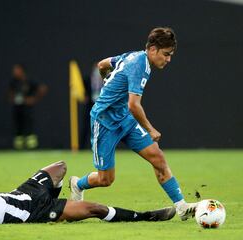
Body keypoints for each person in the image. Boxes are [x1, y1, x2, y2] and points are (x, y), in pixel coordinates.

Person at [69, 27, 197, 221]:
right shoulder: (140, 65)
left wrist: (108, 80)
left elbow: (102, 64)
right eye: (166, 54)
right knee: (106, 179)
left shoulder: (133, 56)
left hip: (124, 118)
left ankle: (181, 207)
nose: (169, 59)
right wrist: (150, 129)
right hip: (104, 121)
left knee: (157, 157)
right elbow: (134, 105)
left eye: (170, 55)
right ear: (153, 49)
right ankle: (78, 184)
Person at [0, 161, 176, 225]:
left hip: (24, 192)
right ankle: (145, 217)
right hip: (36, 212)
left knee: (59, 168)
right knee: (94, 209)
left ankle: (65, 199)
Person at [8, 64, 47, 150]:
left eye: (16, 69)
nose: (14, 72)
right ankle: (18, 148)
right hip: (17, 108)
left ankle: (32, 148)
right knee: (18, 129)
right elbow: (10, 93)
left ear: (22, 70)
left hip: (27, 109)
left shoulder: (29, 81)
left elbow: (43, 88)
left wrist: (34, 99)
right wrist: (12, 99)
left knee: (29, 129)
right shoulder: (13, 82)